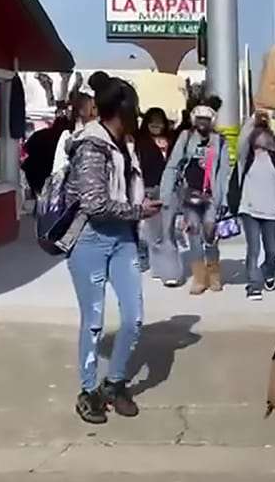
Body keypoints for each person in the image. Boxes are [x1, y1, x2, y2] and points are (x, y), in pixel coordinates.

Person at [62, 78, 161, 424]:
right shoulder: (91, 145)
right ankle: (88, 390)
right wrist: (139, 211)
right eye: (134, 108)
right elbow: (95, 203)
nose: (138, 114)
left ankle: (114, 383)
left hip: (123, 240)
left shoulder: (126, 145)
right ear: (122, 109)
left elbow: (123, 194)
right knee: (94, 322)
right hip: (89, 240)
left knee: (133, 317)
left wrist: (140, 205)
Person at [162, 102, 230, 294]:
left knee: (210, 234)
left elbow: (224, 171)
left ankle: (214, 275)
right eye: (199, 119)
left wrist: (222, 200)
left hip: (210, 197)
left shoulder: (220, 141)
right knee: (193, 235)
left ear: (212, 121)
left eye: (206, 120)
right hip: (189, 195)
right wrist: (167, 193)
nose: (202, 124)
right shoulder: (186, 137)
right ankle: (199, 279)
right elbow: (174, 164)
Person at [234, 112, 275, 301]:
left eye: (266, 136)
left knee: (272, 250)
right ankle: (254, 285)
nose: (262, 139)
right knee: (253, 248)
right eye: (258, 135)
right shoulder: (245, 157)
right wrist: (253, 119)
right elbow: (242, 140)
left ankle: (268, 271)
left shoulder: (274, 159)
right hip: (249, 209)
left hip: (270, 211)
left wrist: (272, 123)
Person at [135, 108, 178, 282]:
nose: (156, 125)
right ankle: (158, 268)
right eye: (152, 121)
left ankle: (171, 272)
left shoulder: (173, 140)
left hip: (170, 190)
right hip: (150, 190)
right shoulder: (140, 142)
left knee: (168, 232)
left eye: (159, 121)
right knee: (154, 235)